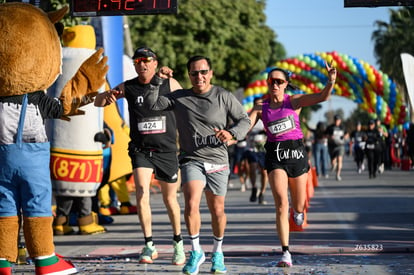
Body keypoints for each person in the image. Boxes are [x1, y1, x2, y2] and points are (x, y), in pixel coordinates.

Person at [143, 55, 251, 275]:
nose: (199, 77)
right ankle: (195, 251)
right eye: (194, 73)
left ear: (210, 73)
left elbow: (245, 120)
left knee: (217, 210)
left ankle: (218, 252)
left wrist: (231, 133)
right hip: (192, 158)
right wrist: (157, 80)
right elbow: (152, 104)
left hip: (218, 160)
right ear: (189, 75)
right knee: (191, 202)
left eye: (203, 72)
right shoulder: (180, 97)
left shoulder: (223, 96)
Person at [94, 47, 186, 265]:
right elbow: (98, 102)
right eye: (138, 61)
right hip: (141, 150)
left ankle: (178, 243)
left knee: (170, 199)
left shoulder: (169, 84)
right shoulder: (129, 86)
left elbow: (188, 104)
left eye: (146, 60)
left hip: (167, 150)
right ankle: (149, 245)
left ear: (155, 63)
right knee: (142, 192)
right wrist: (104, 97)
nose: (142, 65)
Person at [248, 62, 336, 267]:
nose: (275, 85)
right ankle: (285, 253)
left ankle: (298, 212)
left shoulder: (294, 102)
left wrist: (330, 81)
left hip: (296, 155)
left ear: (286, 83)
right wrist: (230, 134)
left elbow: (322, 96)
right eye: (271, 82)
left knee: (297, 206)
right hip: (275, 156)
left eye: (279, 81)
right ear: (267, 84)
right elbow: (245, 125)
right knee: (281, 204)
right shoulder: (261, 107)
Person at [326, 114, 348, 181]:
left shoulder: (343, 127)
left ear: (340, 121)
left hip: (340, 146)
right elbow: (326, 135)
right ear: (334, 120)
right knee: (333, 161)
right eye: (335, 120)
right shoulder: (330, 127)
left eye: (338, 120)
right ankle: (333, 164)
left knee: (340, 159)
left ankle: (338, 174)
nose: (337, 121)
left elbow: (347, 134)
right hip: (332, 146)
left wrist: (345, 137)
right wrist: (330, 137)